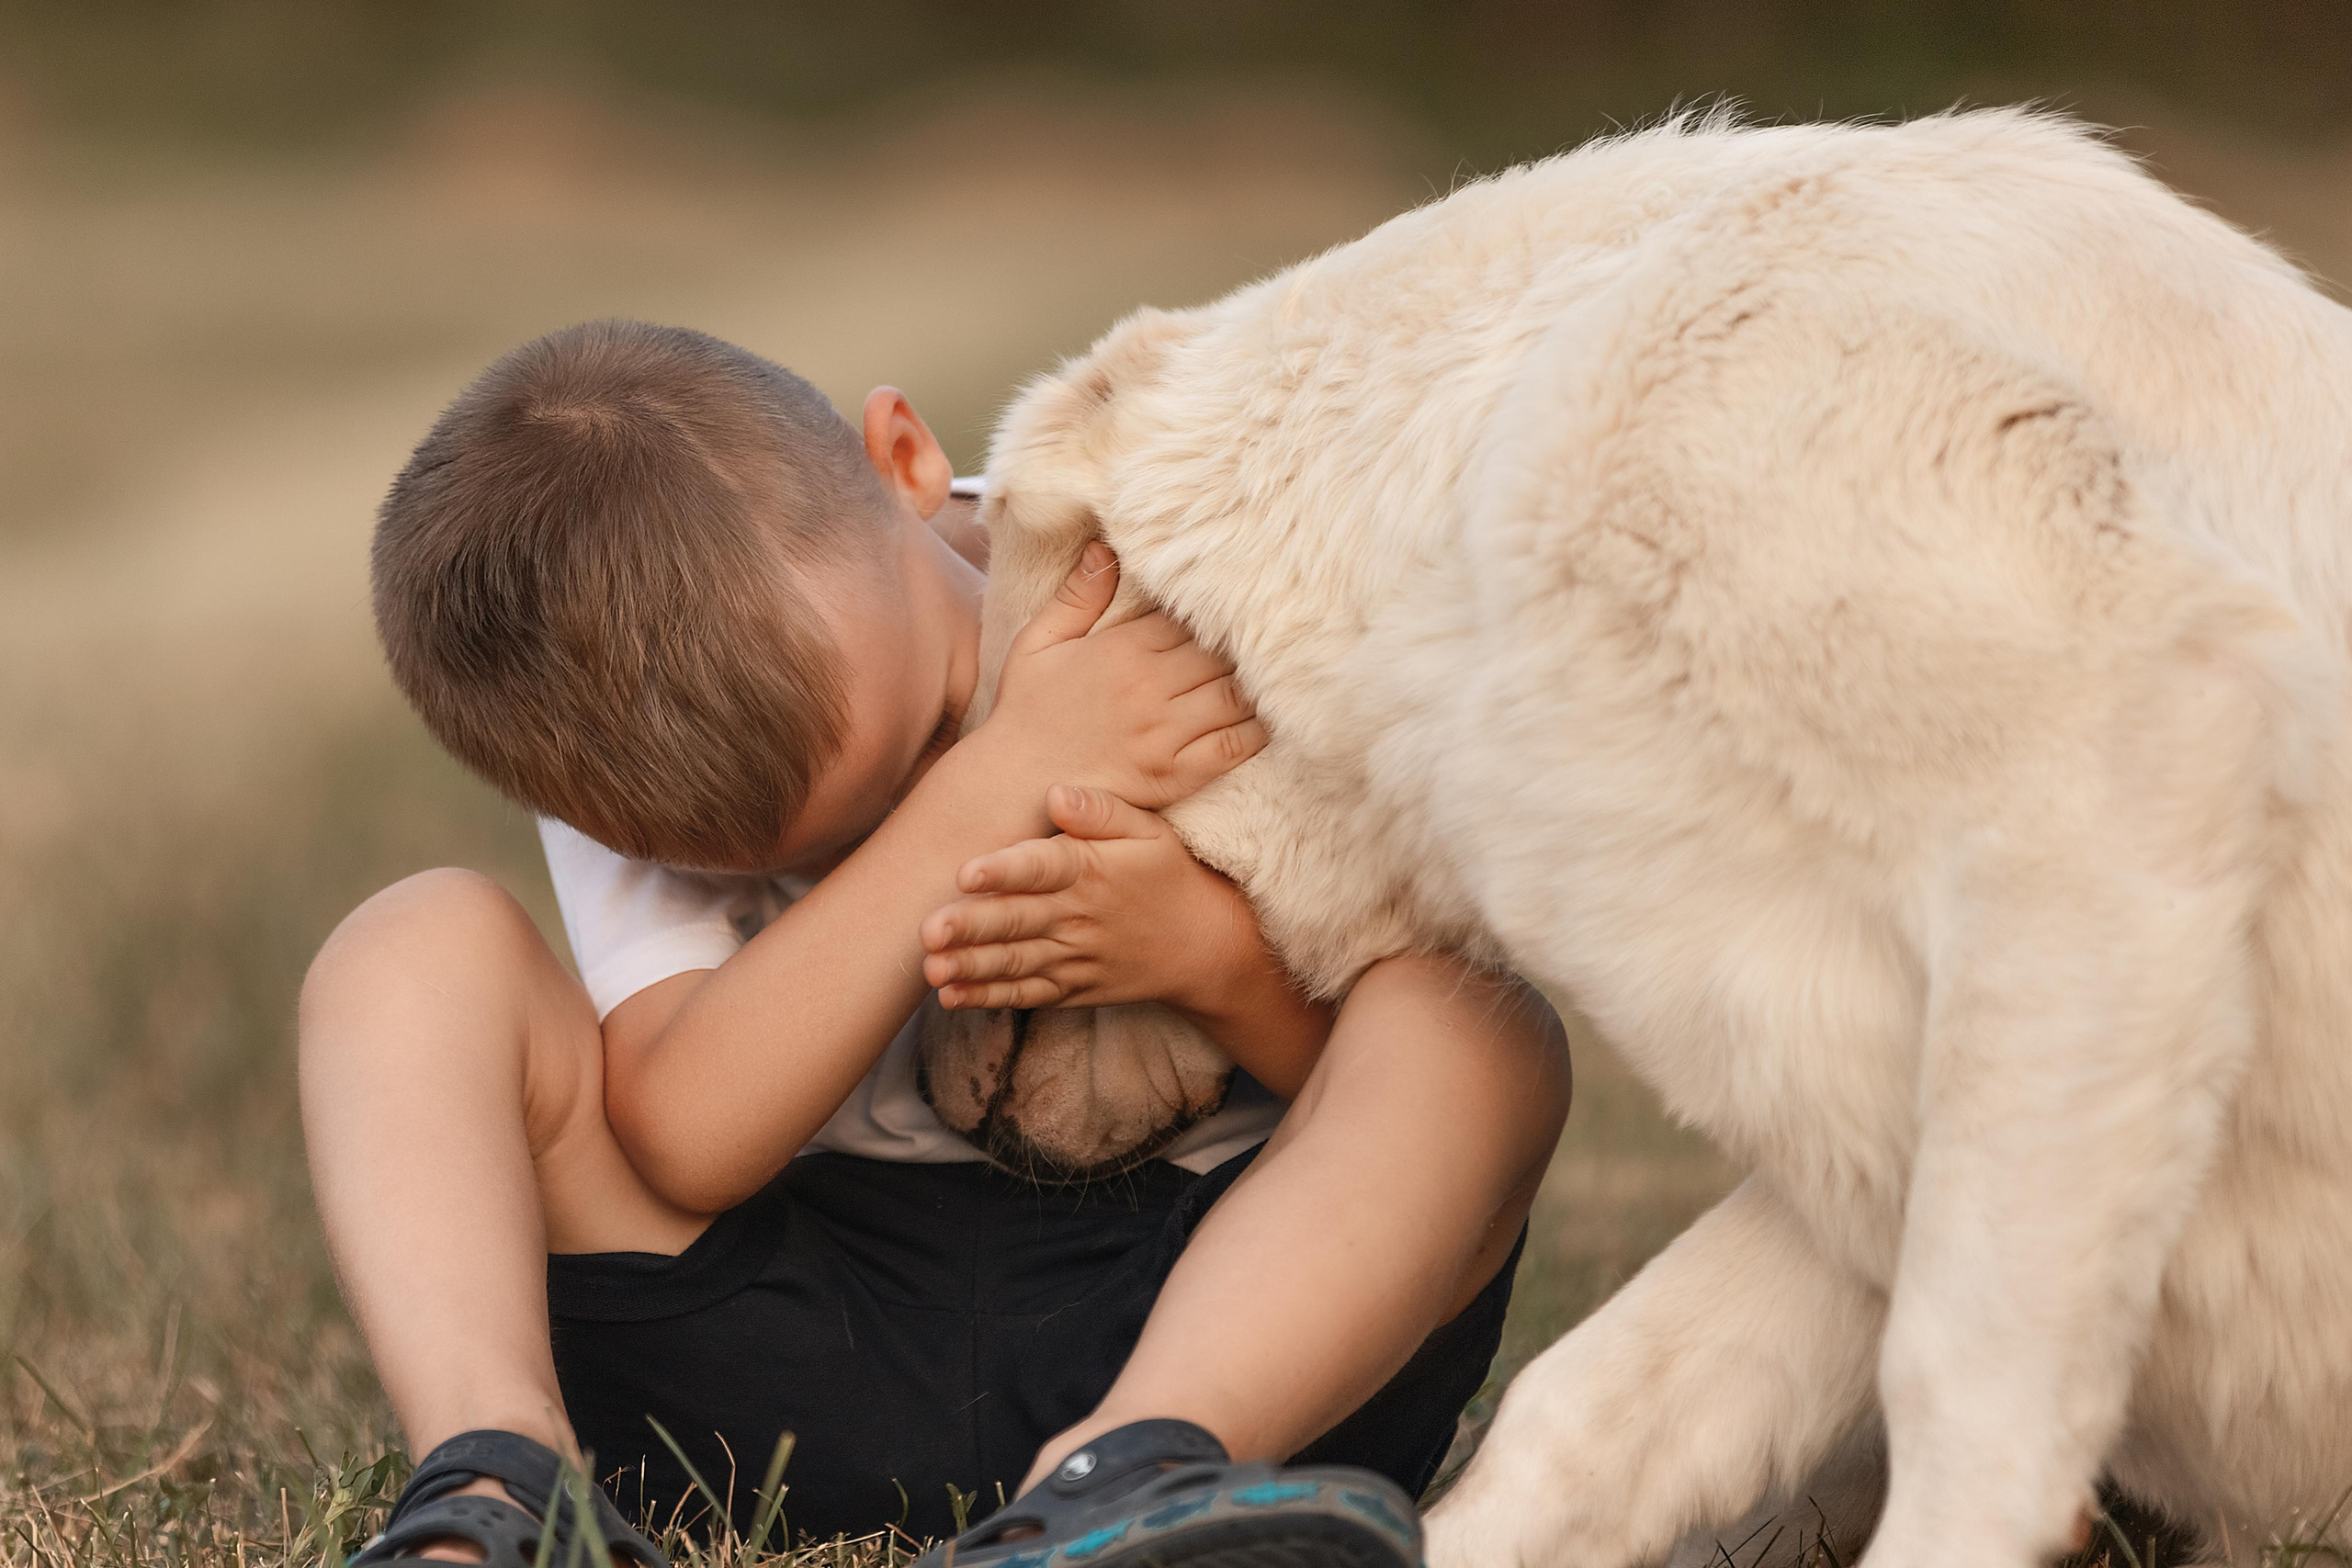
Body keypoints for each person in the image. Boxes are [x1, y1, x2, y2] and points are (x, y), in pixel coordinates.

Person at [299, 320, 1570, 1568]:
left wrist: (1211, 963)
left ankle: (1137, 1477)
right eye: (788, 864)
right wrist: (986, 780)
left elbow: (1358, 1072)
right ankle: (504, 1478)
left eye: (918, 748)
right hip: (786, 1355)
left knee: (1480, 1032)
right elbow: (686, 1137)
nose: (894, 819)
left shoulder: (1173, 585)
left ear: (906, 464)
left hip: (1232, 1318)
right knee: (412, 945)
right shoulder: (612, 722)